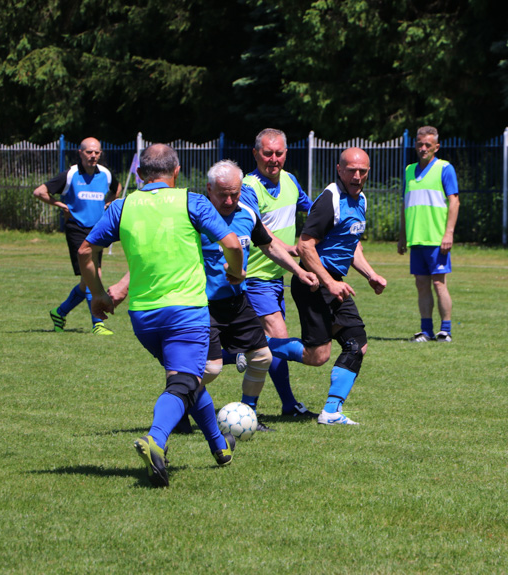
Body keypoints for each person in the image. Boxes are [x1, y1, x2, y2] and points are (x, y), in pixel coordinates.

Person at [77, 144, 245, 488]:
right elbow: (233, 244)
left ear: (140, 174)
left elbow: (85, 250)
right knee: (183, 380)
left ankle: (219, 448)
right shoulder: (192, 201)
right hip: (186, 311)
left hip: (144, 318)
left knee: (188, 379)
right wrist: (236, 272)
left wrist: (97, 295)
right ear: (177, 171)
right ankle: (156, 440)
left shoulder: (122, 206)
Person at [187, 160, 319, 432]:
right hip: (203, 304)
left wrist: (297, 271)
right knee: (210, 369)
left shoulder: (246, 212)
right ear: (209, 189)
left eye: (234, 193)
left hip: (237, 302)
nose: (229, 200)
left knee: (261, 357)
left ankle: (249, 414)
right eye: (222, 193)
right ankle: (179, 405)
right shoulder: (194, 218)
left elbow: (269, 245)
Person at [269, 147, 387, 425]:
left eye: (362, 171)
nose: (357, 176)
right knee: (317, 355)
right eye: (351, 170)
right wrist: (329, 282)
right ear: (339, 169)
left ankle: (331, 411)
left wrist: (370, 274)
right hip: (314, 282)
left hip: (333, 283)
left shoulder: (360, 201)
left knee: (356, 344)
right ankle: (254, 345)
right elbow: (305, 245)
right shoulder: (330, 200)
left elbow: (351, 242)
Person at [239, 128, 317, 418]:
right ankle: (287, 403)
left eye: (279, 153)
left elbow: (311, 209)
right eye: (267, 153)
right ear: (256, 153)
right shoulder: (248, 186)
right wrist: (291, 249)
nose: (273, 159)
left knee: (269, 346)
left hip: (277, 277)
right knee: (278, 340)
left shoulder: (290, 180)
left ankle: (272, 402)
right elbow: (259, 229)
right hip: (256, 277)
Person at [33, 137, 122, 335]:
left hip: (97, 230)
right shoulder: (71, 174)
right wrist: (61, 205)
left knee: (87, 281)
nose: (93, 156)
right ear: (80, 153)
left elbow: (117, 188)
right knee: (93, 277)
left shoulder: (105, 174)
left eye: (96, 152)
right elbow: (39, 192)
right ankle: (98, 323)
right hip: (77, 229)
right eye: (89, 152)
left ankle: (60, 312)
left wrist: (108, 202)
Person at [397, 126, 460, 343]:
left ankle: (445, 330)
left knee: (439, 283)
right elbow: (406, 204)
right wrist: (402, 235)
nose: (423, 149)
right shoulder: (408, 170)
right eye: (420, 144)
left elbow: (454, 201)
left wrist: (448, 233)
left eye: (428, 145)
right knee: (421, 284)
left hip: (437, 238)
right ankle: (426, 331)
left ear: (436, 147)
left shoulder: (445, 168)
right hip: (416, 239)